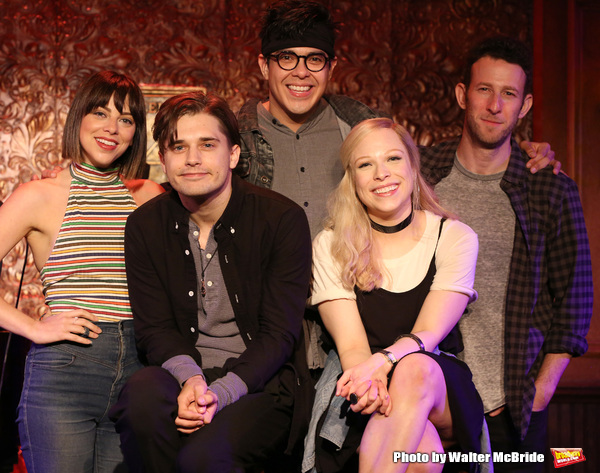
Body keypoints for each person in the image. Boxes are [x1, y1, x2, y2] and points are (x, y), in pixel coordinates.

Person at [235, 0, 560, 373]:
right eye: (286, 58)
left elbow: (408, 171)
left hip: (345, 339)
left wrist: (521, 152)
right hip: (265, 332)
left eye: (315, 59)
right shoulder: (236, 141)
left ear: (332, 67)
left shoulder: (360, 127)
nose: (301, 72)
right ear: (264, 65)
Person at [109, 91, 313, 473]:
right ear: (163, 158)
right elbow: (154, 329)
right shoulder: (145, 225)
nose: (192, 159)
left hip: (259, 380)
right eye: (178, 147)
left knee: (203, 458)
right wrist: (191, 382)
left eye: (207, 145)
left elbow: (278, 335)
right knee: (140, 399)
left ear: (233, 155)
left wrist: (218, 393)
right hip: (182, 372)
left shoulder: (280, 220)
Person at [419, 37, 593, 472]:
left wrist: (542, 390)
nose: (495, 105)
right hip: (433, 405)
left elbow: (575, 296)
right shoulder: (420, 177)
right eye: (484, 90)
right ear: (462, 95)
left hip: (513, 408)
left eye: (509, 94)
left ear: (525, 105)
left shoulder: (548, 188)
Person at [0, 70, 164, 472]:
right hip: (66, 372)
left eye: (125, 119)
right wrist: (34, 327)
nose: (113, 128)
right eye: (101, 113)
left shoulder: (149, 195)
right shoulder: (39, 195)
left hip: (139, 372)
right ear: (79, 119)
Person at [305, 117, 484, 473]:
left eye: (393, 159)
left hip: (436, 386)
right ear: (351, 179)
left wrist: (381, 363)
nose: (381, 173)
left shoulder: (455, 237)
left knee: (414, 367)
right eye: (365, 164)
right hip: (364, 385)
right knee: (422, 457)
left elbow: (428, 335)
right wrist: (371, 379)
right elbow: (353, 348)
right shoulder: (330, 244)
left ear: (413, 165)